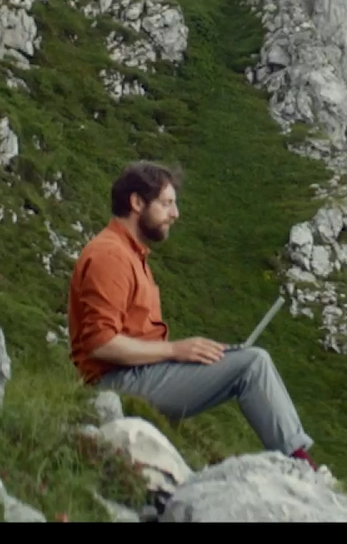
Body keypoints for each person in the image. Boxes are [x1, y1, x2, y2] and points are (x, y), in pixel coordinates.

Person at [67, 161, 318, 467]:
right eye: (166, 204)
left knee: (241, 359)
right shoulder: (111, 254)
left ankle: (298, 460)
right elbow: (101, 343)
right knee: (252, 365)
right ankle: (301, 464)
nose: (175, 214)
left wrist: (186, 354)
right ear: (136, 202)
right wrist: (175, 350)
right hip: (116, 382)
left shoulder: (129, 252)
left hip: (135, 375)